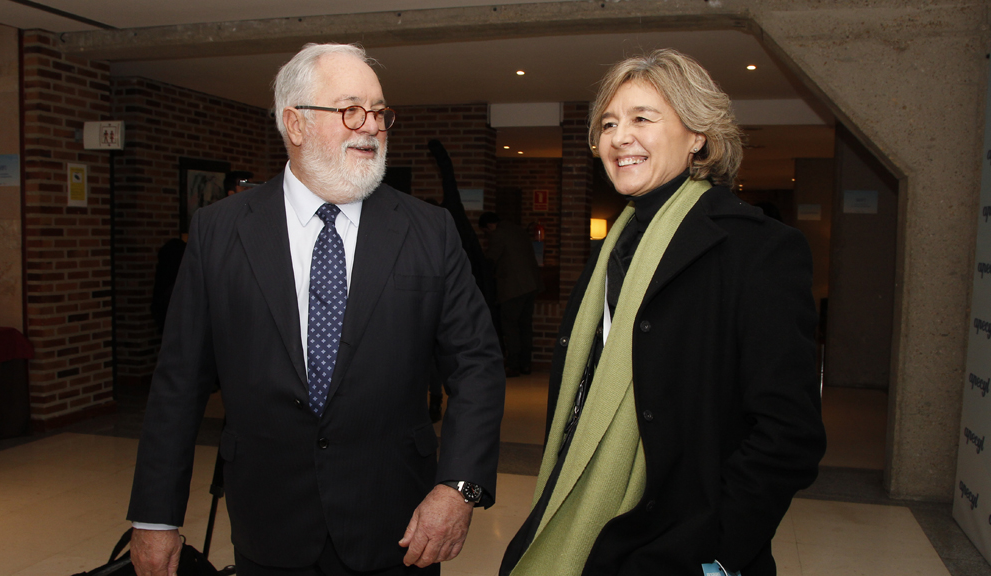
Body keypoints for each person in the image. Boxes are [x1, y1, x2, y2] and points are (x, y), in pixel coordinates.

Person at [127, 43, 505, 576]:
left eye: (379, 112)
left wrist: (458, 487)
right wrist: (155, 516)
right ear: (295, 123)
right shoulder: (220, 232)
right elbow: (178, 381)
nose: (371, 126)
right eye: (351, 109)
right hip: (268, 521)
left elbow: (478, 365)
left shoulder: (428, 230)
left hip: (397, 522)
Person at [500, 49, 826, 576]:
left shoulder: (756, 249)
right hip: (589, 521)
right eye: (608, 123)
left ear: (698, 134)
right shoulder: (617, 244)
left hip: (685, 544)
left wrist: (720, 555)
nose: (619, 137)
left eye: (642, 119)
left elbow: (789, 432)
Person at [479, 212, 542, 377]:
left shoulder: (498, 234)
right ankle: (526, 364)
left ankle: (513, 365)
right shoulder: (518, 230)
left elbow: (490, 259)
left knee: (510, 326)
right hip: (531, 284)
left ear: (489, 226)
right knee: (525, 325)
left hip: (513, 288)